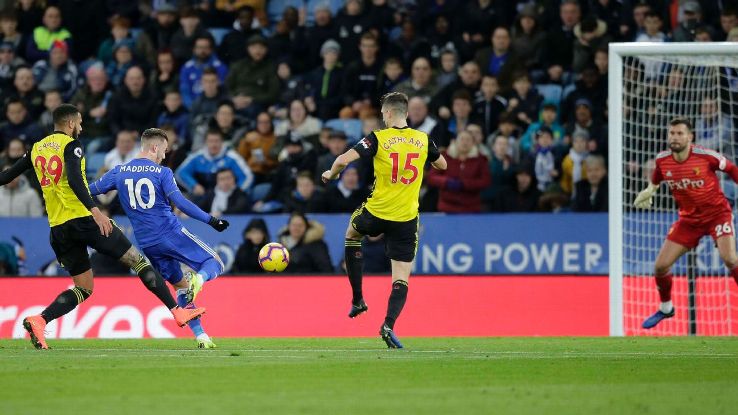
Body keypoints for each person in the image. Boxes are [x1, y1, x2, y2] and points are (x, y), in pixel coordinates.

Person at [0, 105, 204, 349]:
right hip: (84, 219)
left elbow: (6, 176)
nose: (81, 127)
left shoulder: (35, 149)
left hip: (58, 227)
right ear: (70, 123)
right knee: (138, 262)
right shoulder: (71, 145)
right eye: (80, 122)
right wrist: (97, 212)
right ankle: (177, 311)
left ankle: (40, 319)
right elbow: (75, 179)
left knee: (83, 288)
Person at [321, 92, 447, 348]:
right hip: (406, 219)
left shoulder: (378, 138)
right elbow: (442, 165)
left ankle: (358, 299)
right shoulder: (423, 140)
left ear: (388, 113)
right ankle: (388, 324)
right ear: (407, 113)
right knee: (401, 277)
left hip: (376, 213)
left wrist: (330, 174)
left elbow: (342, 160)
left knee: (352, 235)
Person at [89, 128, 229, 349]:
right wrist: (212, 220)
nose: (164, 155)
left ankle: (201, 336)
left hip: (148, 243)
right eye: (164, 150)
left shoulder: (119, 172)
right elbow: (181, 204)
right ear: (154, 147)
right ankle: (199, 280)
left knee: (181, 288)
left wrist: (66, 192)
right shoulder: (162, 172)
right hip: (170, 233)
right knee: (214, 263)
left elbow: (89, 190)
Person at [634, 118, 738, 329]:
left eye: (680, 133)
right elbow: (657, 175)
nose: (674, 137)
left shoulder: (705, 156)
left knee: (730, 259)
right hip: (689, 221)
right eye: (672, 133)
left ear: (690, 137)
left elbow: (732, 169)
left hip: (717, 215)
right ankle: (666, 308)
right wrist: (650, 189)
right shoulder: (663, 160)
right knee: (660, 266)